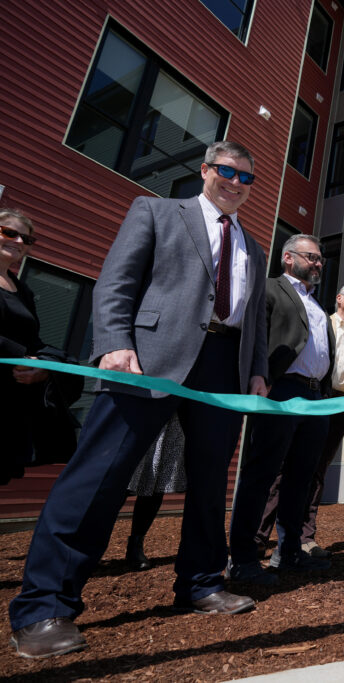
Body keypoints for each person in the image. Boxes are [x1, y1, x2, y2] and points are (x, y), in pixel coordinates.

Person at [8, 141, 270, 660]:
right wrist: (112, 343)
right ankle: (44, 608)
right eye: (227, 172)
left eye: (246, 178)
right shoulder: (155, 210)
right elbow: (116, 282)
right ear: (204, 170)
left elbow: (254, 317)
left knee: (210, 479)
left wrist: (257, 372)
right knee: (98, 477)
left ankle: (200, 582)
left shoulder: (253, 246)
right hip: (148, 358)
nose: (236, 183)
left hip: (223, 368)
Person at [228, 234, 333, 585]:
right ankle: (242, 558)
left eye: (320, 259)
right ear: (288, 258)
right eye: (311, 257)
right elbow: (256, 332)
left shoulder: (318, 306)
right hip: (281, 389)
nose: (317, 263)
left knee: (301, 479)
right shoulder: (271, 289)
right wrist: (260, 374)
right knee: (262, 474)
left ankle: (288, 552)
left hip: (316, 398)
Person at [256, 282, 344, 561]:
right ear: (339, 298)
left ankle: (305, 539)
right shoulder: (319, 322)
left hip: (341, 406)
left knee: (317, 474)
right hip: (310, 396)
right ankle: (259, 536)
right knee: (283, 470)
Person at [0, 209, 51, 485]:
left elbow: (34, 342)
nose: (18, 242)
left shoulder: (24, 292)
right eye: (9, 232)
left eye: (27, 239)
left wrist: (42, 367)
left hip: (10, 402)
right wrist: (21, 355)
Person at [125, 414, 187, 571]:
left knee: (156, 485)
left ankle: (136, 545)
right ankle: (90, 544)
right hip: (143, 412)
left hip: (175, 418)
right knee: (121, 481)